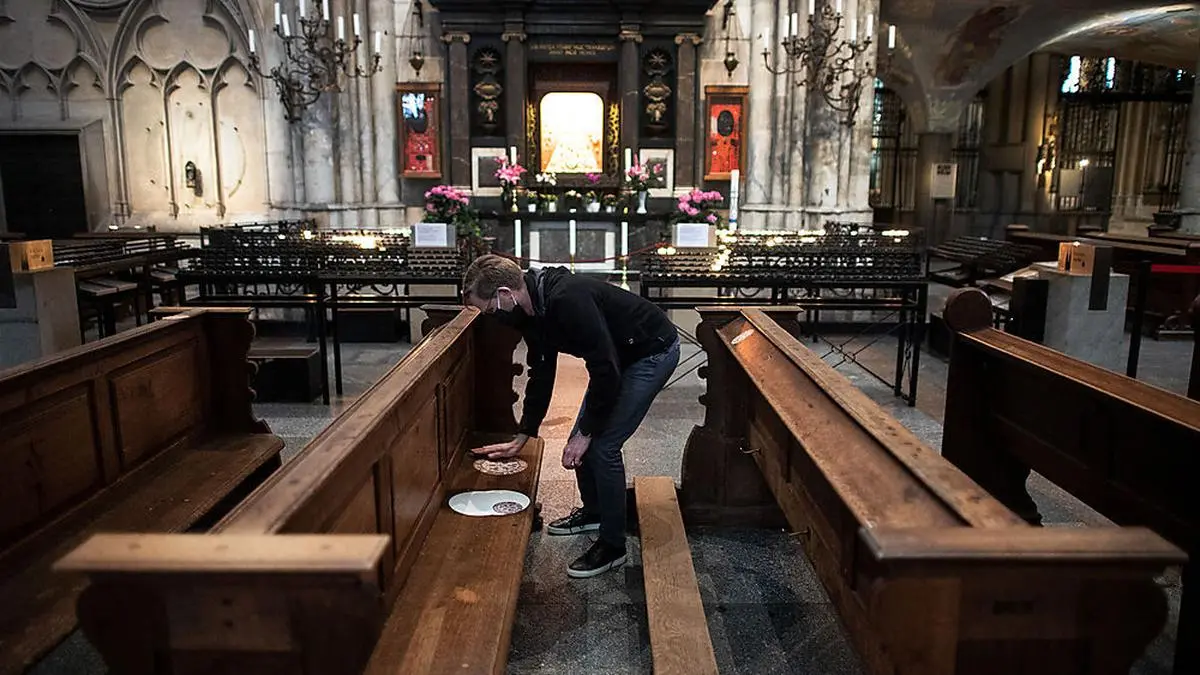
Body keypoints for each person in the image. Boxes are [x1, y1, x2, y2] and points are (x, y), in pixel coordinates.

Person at [462, 254, 680, 578]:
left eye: (491, 309)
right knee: (582, 439)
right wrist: (523, 434)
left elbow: (606, 370)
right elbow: (541, 371)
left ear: (505, 293)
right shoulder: (529, 308)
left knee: (602, 446)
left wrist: (587, 432)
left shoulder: (567, 299)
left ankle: (613, 545)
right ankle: (594, 512)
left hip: (650, 352)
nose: (493, 317)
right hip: (617, 359)